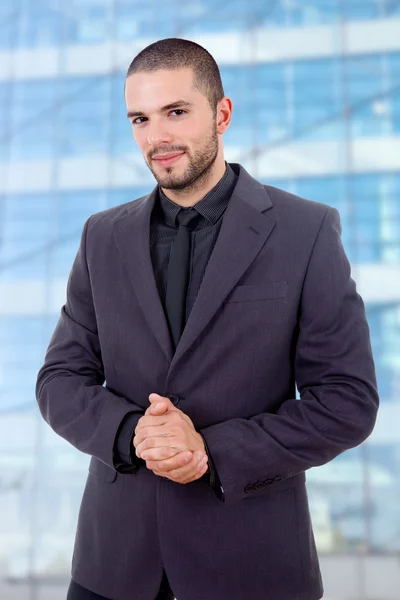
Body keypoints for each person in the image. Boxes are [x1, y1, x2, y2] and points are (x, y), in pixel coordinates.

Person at [35, 38, 379, 600]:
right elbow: (58, 380)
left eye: (176, 112)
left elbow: (347, 400)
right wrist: (132, 433)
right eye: (140, 119)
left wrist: (209, 453)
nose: (156, 137)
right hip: (113, 569)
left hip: (253, 569)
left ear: (221, 113)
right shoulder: (101, 236)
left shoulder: (305, 231)